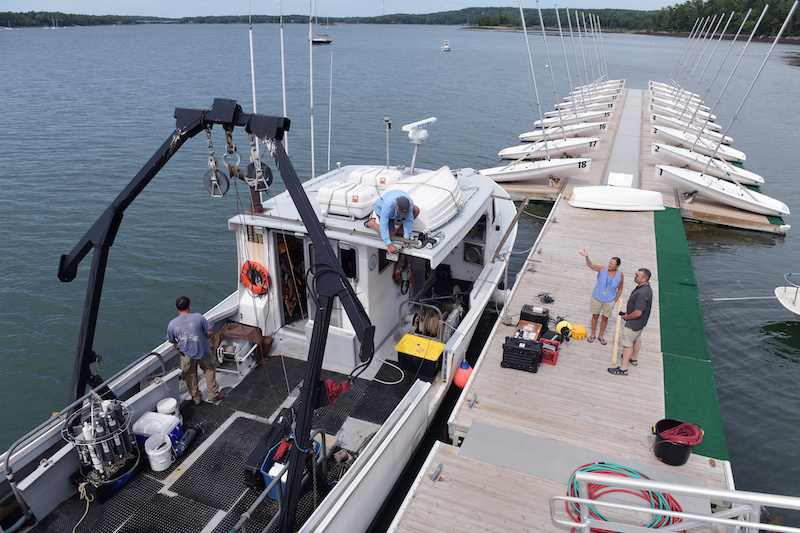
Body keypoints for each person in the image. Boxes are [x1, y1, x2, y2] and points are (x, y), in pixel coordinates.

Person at [167, 296, 224, 404]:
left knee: (190, 375)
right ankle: (213, 394)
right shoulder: (198, 317)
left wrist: (176, 343)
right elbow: (210, 332)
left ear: (176, 308)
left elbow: (171, 339)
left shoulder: (172, 324)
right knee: (209, 370)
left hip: (186, 355)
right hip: (203, 351)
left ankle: (196, 398)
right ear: (189, 306)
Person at [608, 268, 653, 376]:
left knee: (627, 345)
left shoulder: (642, 293)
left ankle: (623, 369)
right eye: (635, 274)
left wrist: (627, 317)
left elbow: (638, 312)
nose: (634, 276)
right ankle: (634, 358)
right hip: (641, 323)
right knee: (637, 339)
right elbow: (638, 307)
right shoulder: (646, 288)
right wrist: (629, 311)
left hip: (633, 323)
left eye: (637, 275)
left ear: (644, 279)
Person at [579, 250, 623, 345]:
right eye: (610, 263)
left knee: (605, 318)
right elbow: (590, 265)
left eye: (612, 264)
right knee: (595, 316)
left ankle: (601, 336)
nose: (610, 265)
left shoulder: (620, 275)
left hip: (609, 301)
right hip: (596, 298)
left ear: (617, 266)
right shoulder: (602, 268)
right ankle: (593, 334)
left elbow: (620, 289)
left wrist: (614, 301)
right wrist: (587, 256)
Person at [364, 190, 420, 255]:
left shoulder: (410, 203)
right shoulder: (388, 205)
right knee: (391, 236)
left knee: (415, 210)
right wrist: (389, 245)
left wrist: (406, 238)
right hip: (382, 209)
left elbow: (408, 220)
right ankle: (372, 223)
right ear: (396, 206)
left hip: (394, 212)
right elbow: (383, 226)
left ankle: (399, 231)